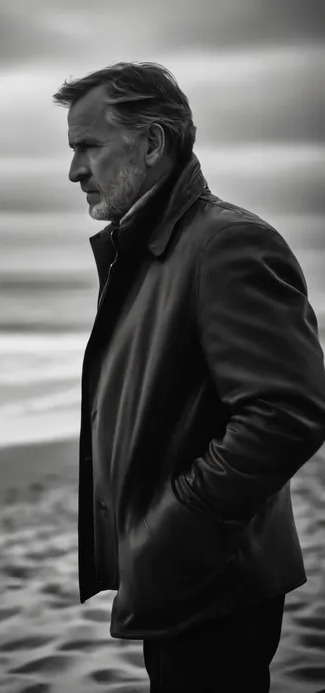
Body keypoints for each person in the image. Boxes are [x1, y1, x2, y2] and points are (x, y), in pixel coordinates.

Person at [52, 62, 325, 692]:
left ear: (152, 143)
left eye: (88, 146)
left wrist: (175, 528)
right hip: (185, 576)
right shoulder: (153, 250)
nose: (73, 170)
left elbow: (287, 413)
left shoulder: (227, 245)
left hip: (213, 582)